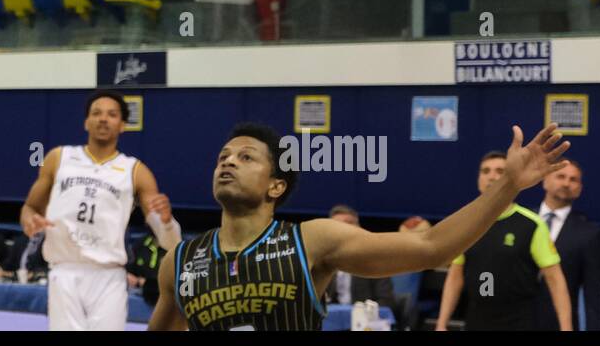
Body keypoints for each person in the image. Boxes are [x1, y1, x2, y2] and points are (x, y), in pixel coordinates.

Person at [149, 122, 569, 331]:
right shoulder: (180, 262)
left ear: (276, 185)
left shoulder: (311, 240)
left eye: (245, 157)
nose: (228, 162)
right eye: (224, 156)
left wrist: (508, 184)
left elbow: (430, 247)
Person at [21, 89, 182, 331]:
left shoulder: (135, 170)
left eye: (112, 114)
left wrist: (167, 222)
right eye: (96, 113)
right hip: (64, 269)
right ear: (86, 122)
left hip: (109, 276)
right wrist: (29, 221)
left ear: (123, 125)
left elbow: (169, 241)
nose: (103, 119)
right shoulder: (58, 158)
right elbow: (30, 207)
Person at [436, 150, 571, 331]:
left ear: (512, 179)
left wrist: (566, 327)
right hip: (476, 320)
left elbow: (555, 279)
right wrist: (441, 323)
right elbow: (455, 276)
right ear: (478, 180)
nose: (492, 176)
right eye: (486, 171)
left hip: (519, 322)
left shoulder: (532, 224)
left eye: (500, 171)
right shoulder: (465, 223)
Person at [533, 158, 600, 330]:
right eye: (560, 176)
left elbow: (593, 294)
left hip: (560, 323)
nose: (566, 183)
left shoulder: (589, 233)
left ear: (579, 189)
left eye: (573, 179)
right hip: (517, 321)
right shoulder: (524, 221)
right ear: (545, 180)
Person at [322, 205, 397, 311]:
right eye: (337, 225)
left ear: (359, 228)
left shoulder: (375, 259)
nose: (343, 229)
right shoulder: (322, 262)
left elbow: (387, 301)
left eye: (348, 224)